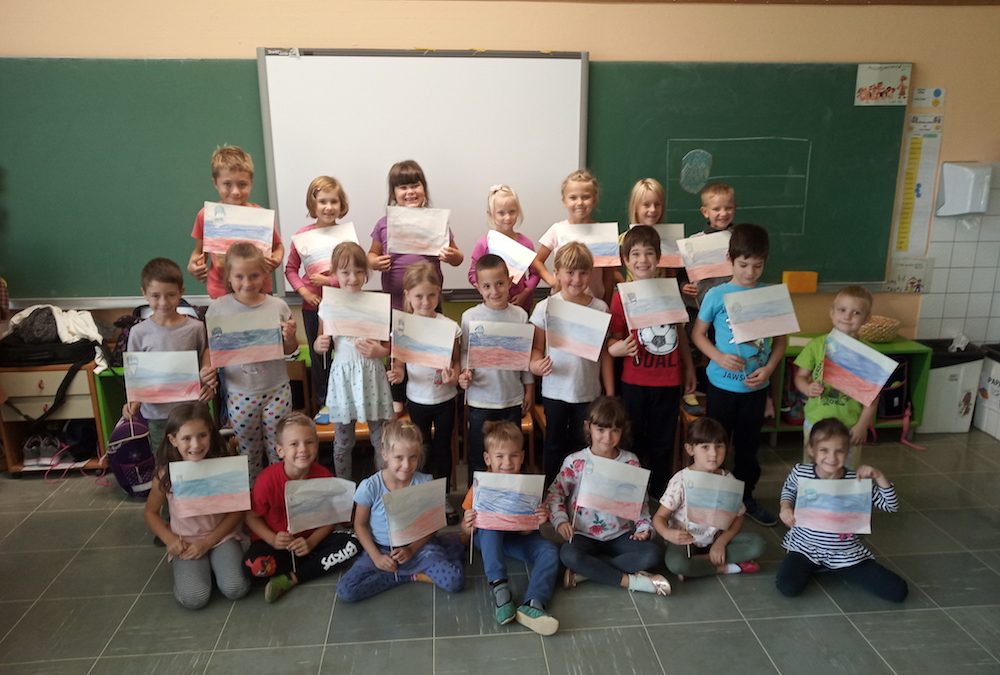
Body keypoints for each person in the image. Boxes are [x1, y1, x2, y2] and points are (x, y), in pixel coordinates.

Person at [691, 223, 787, 526]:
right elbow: (698, 334)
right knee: (714, 445)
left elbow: (781, 340)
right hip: (721, 386)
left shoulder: (770, 295)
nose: (750, 272)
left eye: (757, 266)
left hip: (754, 389)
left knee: (748, 448)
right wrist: (718, 356)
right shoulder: (717, 294)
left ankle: (745, 498)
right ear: (730, 260)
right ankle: (712, 498)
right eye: (743, 265)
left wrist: (769, 368)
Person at [605, 225, 696, 497]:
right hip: (634, 382)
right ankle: (633, 492)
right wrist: (617, 348)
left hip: (669, 381)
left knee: (663, 441)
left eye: (649, 253)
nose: (642, 259)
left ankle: (658, 493)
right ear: (625, 260)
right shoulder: (620, 296)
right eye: (635, 254)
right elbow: (612, 339)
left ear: (658, 257)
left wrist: (689, 367)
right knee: (633, 439)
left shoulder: (670, 292)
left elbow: (679, 332)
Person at [546, 397, 670, 596]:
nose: (607, 437)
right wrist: (561, 521)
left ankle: (587, 573)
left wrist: (644, 529)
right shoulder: (576, 461)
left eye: (615, 430)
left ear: (622, 431)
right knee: (568, 554)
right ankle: (630, 581)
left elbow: (640, 502)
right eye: (601, 429)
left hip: (620, 533)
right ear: (588, 427)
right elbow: (555, 494)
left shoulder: (630, 461)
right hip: (582, 534)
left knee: (653, 554)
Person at [367, 159, 463, 415]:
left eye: (415, 185)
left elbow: (458, 258)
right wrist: (374, 262)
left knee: (430, 347)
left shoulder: (436, 222)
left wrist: (451, 256)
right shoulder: (384, 223)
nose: (410, 192)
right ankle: (399, 395)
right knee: (399, 348)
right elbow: (370, 256)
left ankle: (433, 392)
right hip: (397, 302)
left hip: (429, 301)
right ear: (393, 193)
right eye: (403, 187)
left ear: (424, 188)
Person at [776, 418, 908, 603]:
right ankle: (819, 566)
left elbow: (890, 505)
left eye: (839, 451)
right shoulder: (801, 472)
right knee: (788, 587)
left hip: (845, 553)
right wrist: (785, 507)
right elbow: (789, 489)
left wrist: (879, 476)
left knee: (898, 591)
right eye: (824, 450)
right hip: (805, 548)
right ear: (811, 450)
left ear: (847, 453)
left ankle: (834, 567)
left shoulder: (856, 481)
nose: (831, 458)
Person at [337, 420, 465, 602]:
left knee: (454, 581)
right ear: (385, 454)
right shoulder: (370, 487)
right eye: (399, 457)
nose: (406, 465)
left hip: (418, 548)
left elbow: (432, 527)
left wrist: (411, 549)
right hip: (381, 549)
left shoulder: (425, 482)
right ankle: (411, 575)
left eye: (413, 457)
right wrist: (377, 557)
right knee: (346, 590)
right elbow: (360, 525)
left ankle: (409, 570)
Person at [243, 412, 360, 602]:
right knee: (253, 567)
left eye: (309, 442)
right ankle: (308, 566)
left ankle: (294, 577)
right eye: (294, 444)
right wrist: (273, 539)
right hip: (278, 544)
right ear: (280, 450)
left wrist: (312, 542)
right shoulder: (267, 480)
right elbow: (251, 517)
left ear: (317, 445)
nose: (303, 449)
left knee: (354, 543)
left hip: (313, 541)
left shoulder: (324, 476)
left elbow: (332, 518)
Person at [205, 242, 298, 482]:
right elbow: (212, 351)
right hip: (240, 393)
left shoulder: (277, 306)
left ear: (265, 274)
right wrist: (207, 371)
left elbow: (290, 349)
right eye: (239, 276)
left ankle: (279, 492)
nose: (247, 283)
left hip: (277, 389)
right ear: (228, 277)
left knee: (279, 448)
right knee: (249, 452)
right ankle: (254, 496)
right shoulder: (218, 309)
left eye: (254, 275)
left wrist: (290, 337)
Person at [144, 403, 249, 609]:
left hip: (222, 537)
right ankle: (202, 571)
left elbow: (238, 511)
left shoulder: (224, 466)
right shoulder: (165, 474)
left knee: (236, 588)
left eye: (202, 435)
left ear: (210, 433)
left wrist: (208, 542)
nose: (196, 444)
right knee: (195, 598)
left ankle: (216, 566)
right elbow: (150, 512)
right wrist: (170, 539)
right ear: (173, 440)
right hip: (185, 543)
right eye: (186, 438)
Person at [460, 420, 559, 635]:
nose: (507, 462)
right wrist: (468, 524)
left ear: (522, 457)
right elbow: (466, 533)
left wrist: (539, 520)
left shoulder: (528, 487)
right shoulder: (480, 487)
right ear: (487, 458)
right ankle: (500, 588)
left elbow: (526, 531)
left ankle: (534, 603)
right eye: (500, 456)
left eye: (514, 456)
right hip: (488, 539)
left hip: (518, 538)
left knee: (550, 551)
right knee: (490, 526)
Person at [313, 242, 394, 482]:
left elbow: (388, 347)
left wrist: (380, 351)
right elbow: (320, 341)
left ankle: (382, 485)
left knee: (380, 438)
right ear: (334, 273)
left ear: (366, 273)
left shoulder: (375, 304)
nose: (353, 278)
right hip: (344, 379)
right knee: (342, 441)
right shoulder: (328, 304)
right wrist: (319, 345)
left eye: (359, 271)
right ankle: (345, 488)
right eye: (345, 272)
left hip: (371, 377)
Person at [529, 242, 609, 485]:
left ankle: (578, 493)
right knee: (554, 443)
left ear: (590, 274)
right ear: (557, 273)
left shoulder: (599, 308)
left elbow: (604, 353)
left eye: (583, 273)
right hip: (555, 391)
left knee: (582, 446)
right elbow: (536, 348)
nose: (576, 279)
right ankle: (552, 491)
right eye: (570, 272)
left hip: (588, 392)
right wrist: (535, 365)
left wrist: (610, 392)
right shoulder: (545, 307)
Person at [387, 262, 461, 521]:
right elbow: (398, 364)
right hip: (417, 399)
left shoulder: (448, 326)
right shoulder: (403, 326)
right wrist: (398, 374)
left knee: (443, 449)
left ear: (439, 293)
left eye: (431, 295)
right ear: (407, 295)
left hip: (445, 399)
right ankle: (422, 496)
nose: (426, 302)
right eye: (419, 296)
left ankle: (442, 496)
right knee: (420, 449)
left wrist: (454, 374)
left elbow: (456, 361)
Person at [653, 417, 765, 580]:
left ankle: (698, 565)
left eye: (719, 446)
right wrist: (667, 533)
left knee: (758, 545)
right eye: (705, 447)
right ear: (690, 449)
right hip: (686, 541)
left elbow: (739, 517)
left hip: (716, 538)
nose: (713, 453)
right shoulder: (681, 480)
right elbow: (659, 517)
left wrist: (721, 542)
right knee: (676, 564)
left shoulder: (728, 479)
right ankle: (725, 567)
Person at [123, 257, 216, 452]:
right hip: (157, 415)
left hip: (193, 411)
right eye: (155, 296)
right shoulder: (138, 333)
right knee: (163, 461)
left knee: (199, 457)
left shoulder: (196, 328)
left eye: (171, 295)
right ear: (144, 293)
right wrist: (133, 401)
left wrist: (209, 385)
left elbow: (206, 361)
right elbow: (135, 375)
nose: (163, 302)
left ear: (181, 292)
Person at [459, 255, 535, 486]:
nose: (494, 291)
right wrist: (464, 373)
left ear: (510, 281)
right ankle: (476, 500)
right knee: (479, 456)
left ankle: (509, 495)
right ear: (478, 287)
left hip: (511, 398)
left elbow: (525, 356)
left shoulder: (520, 315)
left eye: (500, 283)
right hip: (480, 399)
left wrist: (529, 388)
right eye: (487, 286)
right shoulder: (470, 317)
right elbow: (464, 353)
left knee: (510, 456)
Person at [284, 175, 353, 423]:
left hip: (343, 305)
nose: (328, 207)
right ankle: (325, 402)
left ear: (341, 205)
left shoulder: (346, 236)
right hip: (313, 307)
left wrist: (329, 281)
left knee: (344, 353)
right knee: (320, 355)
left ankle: (347, 400)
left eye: (334, 201)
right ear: (312, 204)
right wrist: (304, 292)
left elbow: (354, 272)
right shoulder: (302, 236)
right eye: (323, 201)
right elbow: (290, 269)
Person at [793, 285, 877, 469]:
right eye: (842, 310)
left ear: (867, 318)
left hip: (849, 425)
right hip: (816, 421)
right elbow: (800, 377)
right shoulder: (817, 345)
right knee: (812, 469)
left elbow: (872, 397)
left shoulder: (868, 354)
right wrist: (807, 388)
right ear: (832, 313)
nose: (847, 316)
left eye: (856, 312)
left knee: (847, 470)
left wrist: (862, 425)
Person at [187, 145, 283, 299]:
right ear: (215, 183)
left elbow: (278, 246)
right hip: (221, 292)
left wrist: (276, 259)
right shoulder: (206, 216)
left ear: (251, 182)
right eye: (227, 184)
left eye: (242, 184)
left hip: (259, 290)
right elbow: (199, 251)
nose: (235, 191)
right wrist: (194, 264)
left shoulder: (260, 216)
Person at [532, 169, 614, 302]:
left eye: (586, 197)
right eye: (573, 197)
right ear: (564, 201)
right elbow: (537, 260)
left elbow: (609, 274)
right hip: (562, 301)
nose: (580, 202)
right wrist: (552, 281)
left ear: (594, 200)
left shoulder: (603, 233)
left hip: (594, 302)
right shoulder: (557, 229)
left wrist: (607, 301)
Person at [467, 184, 540, 312]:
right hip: (493, 304)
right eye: (501, 213)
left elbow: (535, 273)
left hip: (520, 303)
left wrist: (525, 293)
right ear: (491, 214)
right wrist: (487, 290)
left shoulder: (525, 243)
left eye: (512, 211)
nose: (508, 217)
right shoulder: (484, 243)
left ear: (518, 211)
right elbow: (473, 273)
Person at [680, 182, 736, 306]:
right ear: (705, 212)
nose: (723, 213)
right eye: (716, 209)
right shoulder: (693, 242)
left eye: (728, 208)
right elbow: (683, 273)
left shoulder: (741, 239)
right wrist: (684, 285)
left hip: (732, 305)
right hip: (701, 306)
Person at [618, 178, 667, 284]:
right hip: (633, 292)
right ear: (635, 207)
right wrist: (624, 286)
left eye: (657, 204)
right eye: (646, 205)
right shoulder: (623, 240)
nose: (653, 209)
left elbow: (674, 271)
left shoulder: (670, 239)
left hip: (662, 291)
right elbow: (612, 271)